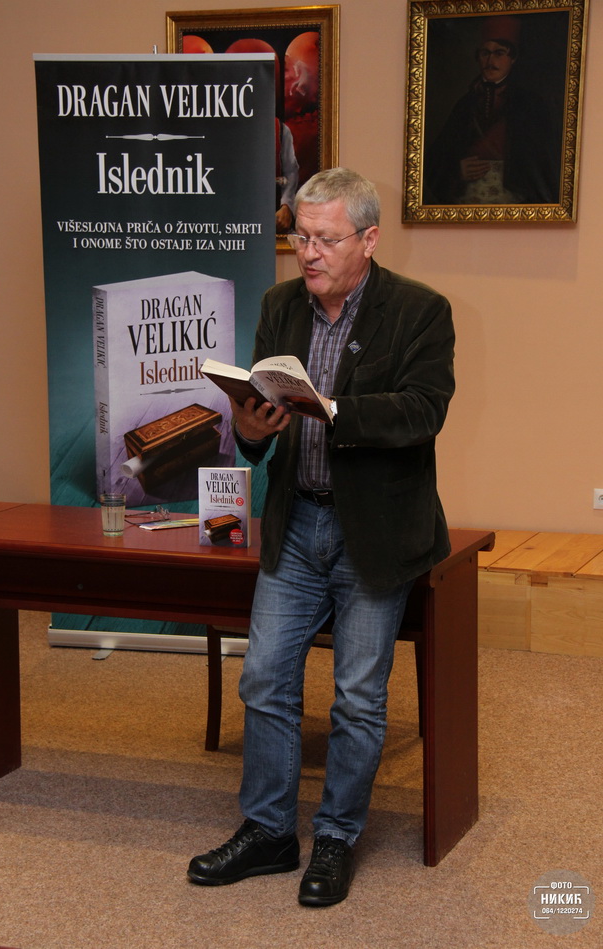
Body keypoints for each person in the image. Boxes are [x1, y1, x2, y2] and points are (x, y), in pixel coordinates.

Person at [187, 168, 455, 906]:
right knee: (264, 678)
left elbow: (423, 410)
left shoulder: (421, 311)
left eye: (326, 239)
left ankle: (336, 838)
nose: (308, 252)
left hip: (376, 529)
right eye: (301, 236)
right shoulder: (280, 305)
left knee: (358, 698)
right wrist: (250, 429)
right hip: (297, 520)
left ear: (368, 240)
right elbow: (258, 421)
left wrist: (333, 410)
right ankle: (269, 830)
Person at [424, 15, 561, 204]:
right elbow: (435, 159)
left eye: (499, 53)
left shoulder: (531, 104)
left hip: (517, 201)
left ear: (513, 58)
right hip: (466, 201)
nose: (490, 60)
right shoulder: (465, 104)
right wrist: (457, 170)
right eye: (485, 53)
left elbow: (542, 164)